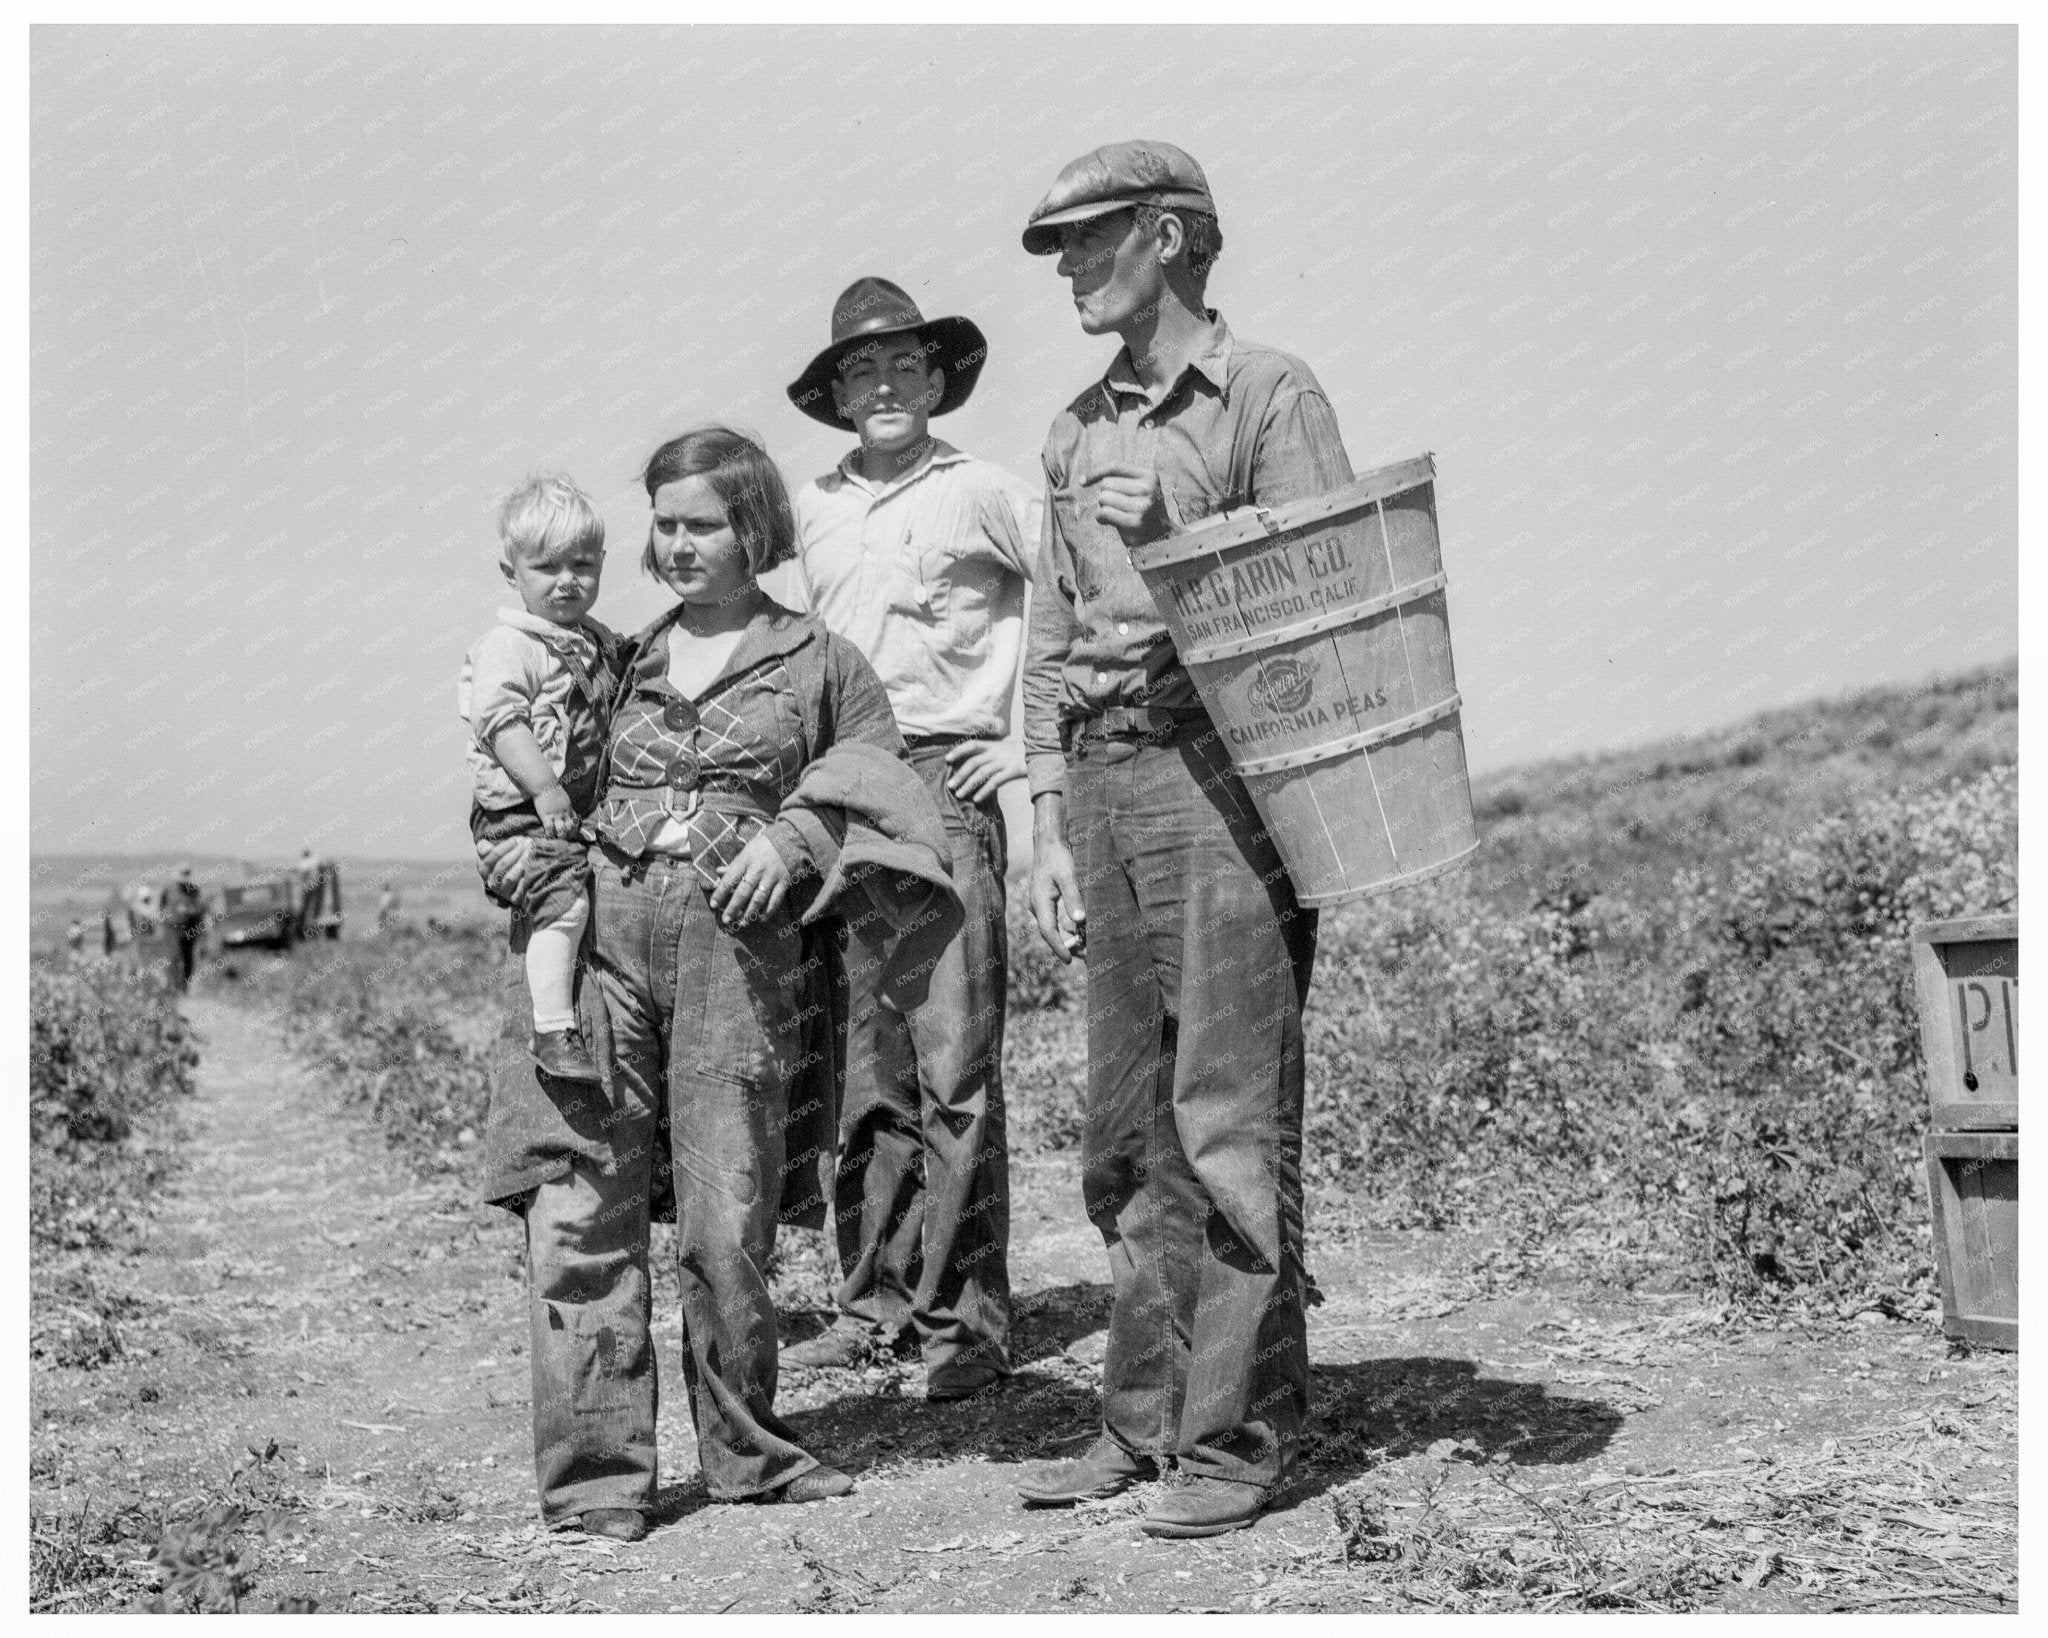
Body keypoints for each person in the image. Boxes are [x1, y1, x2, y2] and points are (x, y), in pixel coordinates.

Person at [475, 425, 962, 1540]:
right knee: (581, 1201)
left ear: (755, 528)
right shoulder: (613, 658)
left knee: (727, 1208)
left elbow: (872, 772)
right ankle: (596, 1481)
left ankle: (746, 1451)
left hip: (739, 962)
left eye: (704, 523)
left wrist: (790, 843)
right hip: (600, 942)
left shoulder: (820, 661)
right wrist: (507, 845)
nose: (680, 545)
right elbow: (518, 765)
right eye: (666, 524)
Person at [1011, 141, 1354, 1539]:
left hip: (1226, 780)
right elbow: (1046, 633)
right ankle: (1143, 1418)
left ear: (1169, 236)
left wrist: (1189, 536)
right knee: (1123, 1133)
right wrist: (1038, 814)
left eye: (1090, 243)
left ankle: (1239, 1435)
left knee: (1225, 1118)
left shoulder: (1270, 395)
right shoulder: (1074, 426)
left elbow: (1331, 607)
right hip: (1100, 785)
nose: (1071, 272)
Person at [779, 278, 1039, 1399]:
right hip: (846, 786)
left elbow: (1072, 600)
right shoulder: (811, 508)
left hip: (945, 777)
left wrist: (1026, 750)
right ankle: (872, 1303)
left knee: (954, 1063)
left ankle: (964, 1327)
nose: (882, 388)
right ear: (837, 395)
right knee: (864, 1069)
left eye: (901, 369)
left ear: (936, 381)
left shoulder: (984, 491)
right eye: (860, 373)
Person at [459, 476, 620, 1084]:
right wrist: (545, 788)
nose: (567, 580)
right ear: (512, 572)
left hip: (567, 812)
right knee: (564, 905)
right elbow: (500, 721)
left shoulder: (596, 643)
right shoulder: (512, 644)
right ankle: (553, 1029)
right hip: (524, 811)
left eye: (582, 564)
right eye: (546, 566)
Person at [163, 864, 206, 992]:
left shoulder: (194, 891)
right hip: (172, 929)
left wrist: (189, 911)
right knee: (173, 957)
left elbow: (201, 909)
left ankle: (184, 986)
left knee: (188, 958)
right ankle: (173, 986)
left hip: (189, 929)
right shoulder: (168, 891)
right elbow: (161, 909)